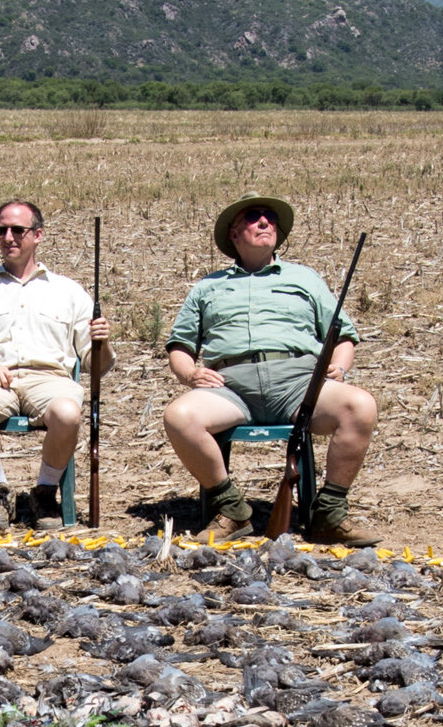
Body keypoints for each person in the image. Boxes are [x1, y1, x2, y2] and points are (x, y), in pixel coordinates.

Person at [159, 194, 380, 546]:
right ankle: (231, 509)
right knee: (179, 415)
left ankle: (329, 514)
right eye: (254, 217)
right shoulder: (207, 287)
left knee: (361, 405)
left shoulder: (305, 278)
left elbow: (344, 335)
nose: (265, 222)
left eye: (270, 218)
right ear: (233, 234)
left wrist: (338, 366)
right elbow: (179, 347)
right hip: (229, 388)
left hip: (299, 384)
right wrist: (190, 374)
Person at [0, 198, 111, 529]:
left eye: (17, 230)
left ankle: (45, 493)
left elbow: (97, 365)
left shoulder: (69, 292)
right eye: (1, 230)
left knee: (67, 412)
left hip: (49, 380)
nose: (8, 237)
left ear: (38, 235)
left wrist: (102, 340)